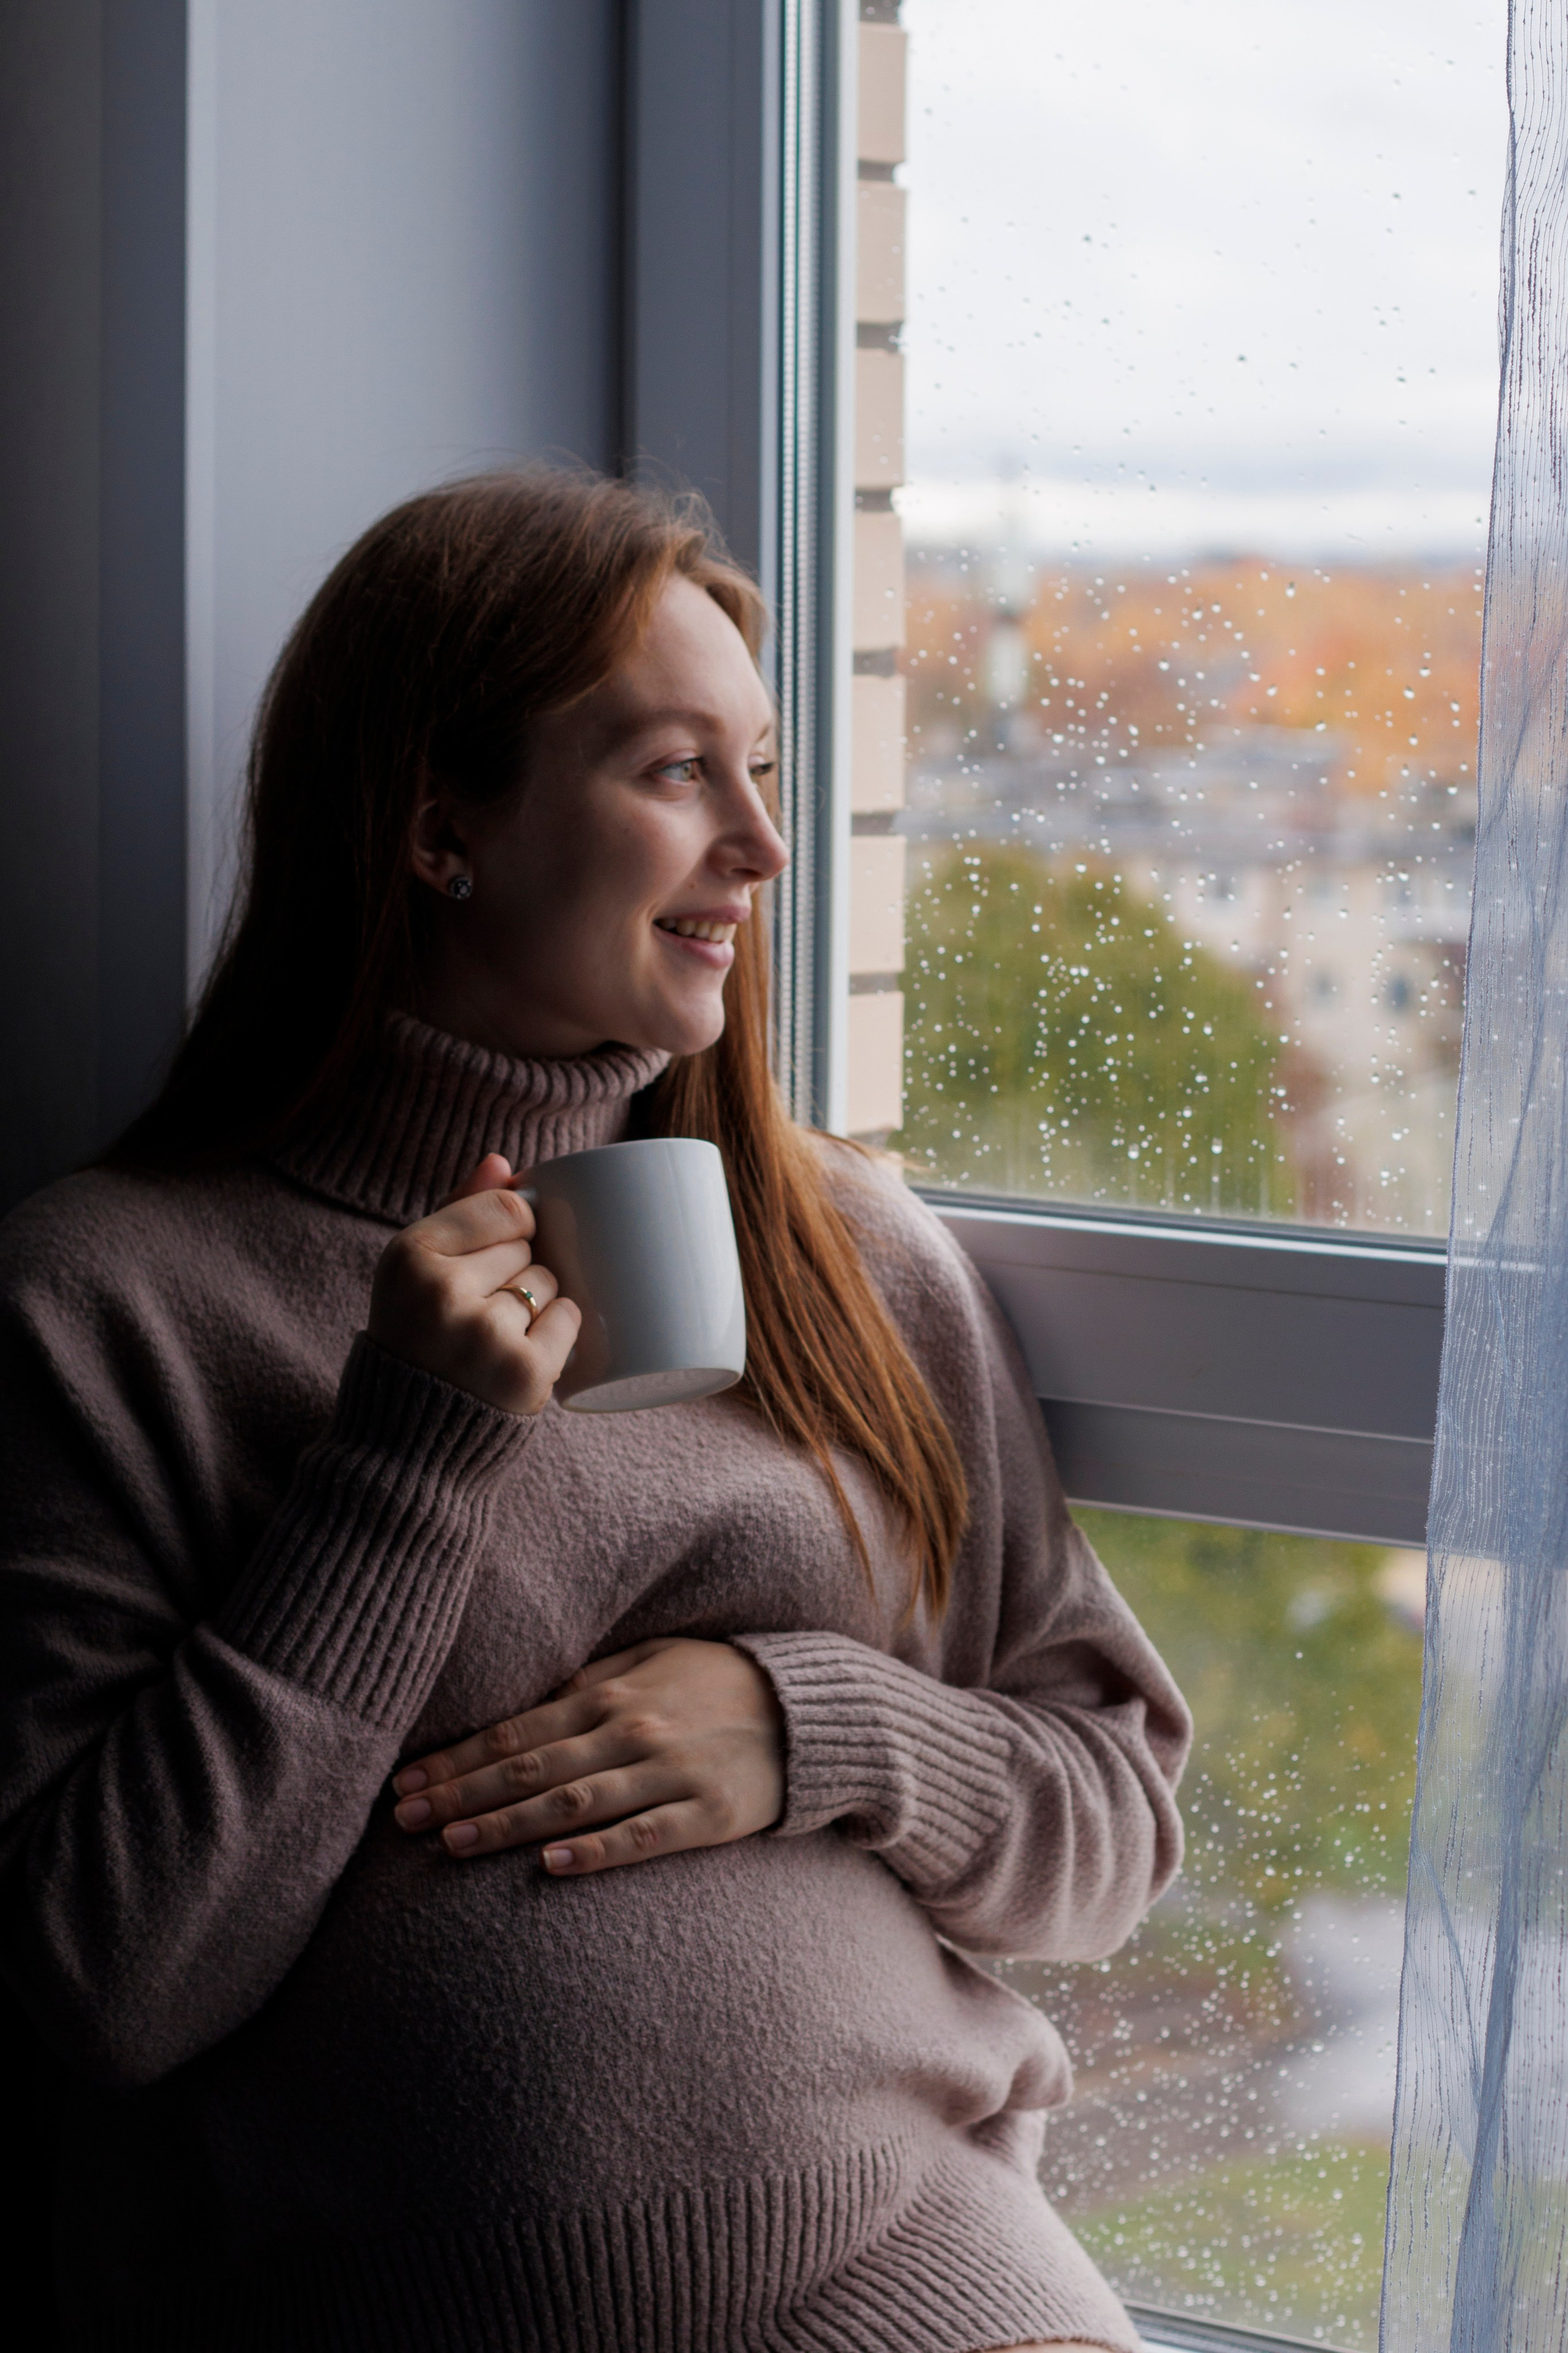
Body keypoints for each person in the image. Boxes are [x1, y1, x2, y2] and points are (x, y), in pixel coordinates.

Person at [0, 468, 1191, 2353]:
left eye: (771, 772)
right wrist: (397, 1465)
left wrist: (823, 1726)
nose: (762, 847)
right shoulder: (111, 1294)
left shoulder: (852, 1249)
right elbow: (108, 1979)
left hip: (919, 2261)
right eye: (673, 770)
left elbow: (1113, 1810)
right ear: (438, 827)